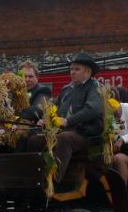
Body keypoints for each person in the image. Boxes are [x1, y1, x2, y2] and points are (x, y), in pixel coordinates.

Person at [26, 52, 103, 183]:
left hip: (85, 135)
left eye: (77, 69)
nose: (72, 72)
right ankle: (33, 179)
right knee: (33, 140)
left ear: (88, 72)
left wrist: (67, 121)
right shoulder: (66, 89)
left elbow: (92, 110)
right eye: (71, 69)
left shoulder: (94, 87)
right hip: (63, 131)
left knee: (64, 138)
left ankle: (54, 182)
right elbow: (54, 108)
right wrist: (46, 119)